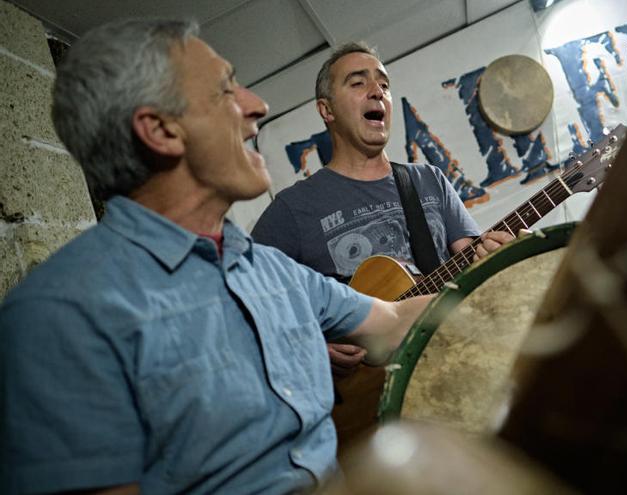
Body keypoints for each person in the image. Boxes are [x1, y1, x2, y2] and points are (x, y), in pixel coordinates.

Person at [0, 19, 431, 495]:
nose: (257, 106)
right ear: (161, 131)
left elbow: (393, 321)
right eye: (227, 91)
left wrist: (514, 284)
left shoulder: (267, 267)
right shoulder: (57, 317)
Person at [251, 42, 514, 375]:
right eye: (358, 83)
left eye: (384, 84)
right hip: (366, 394)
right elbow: (248, 304)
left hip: (459, 364)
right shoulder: (292, 209)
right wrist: (310, 343)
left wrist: (493, 257)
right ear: (326, 110)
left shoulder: (428, 179)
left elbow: (471, 258)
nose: (377, 91)